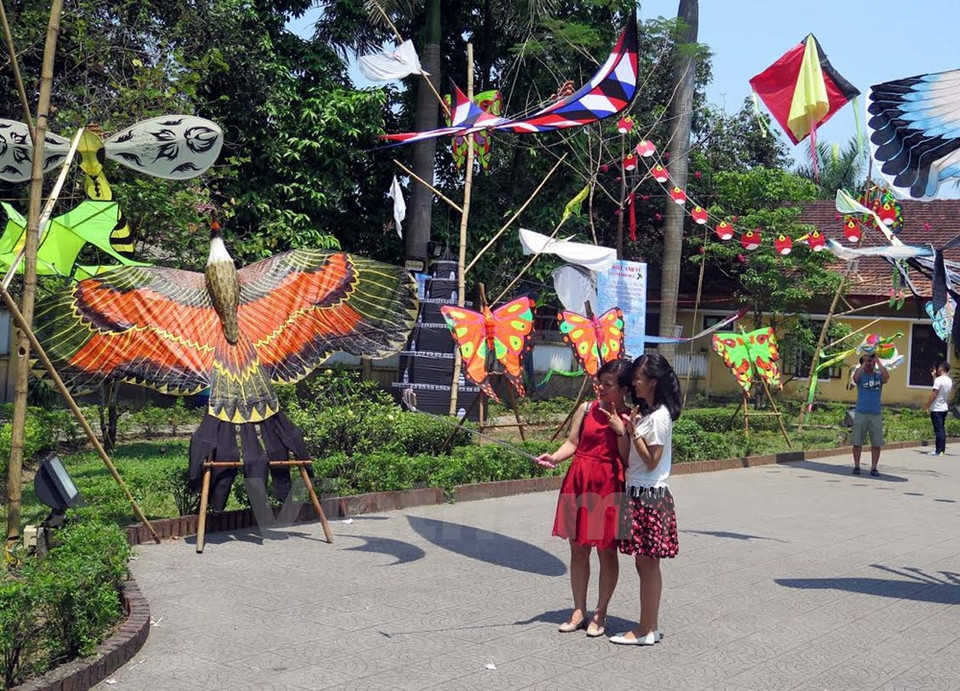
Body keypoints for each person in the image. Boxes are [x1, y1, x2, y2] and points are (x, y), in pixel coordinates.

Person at [536, 358, 633, 638]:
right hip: (579, 479)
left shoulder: (629, 417)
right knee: (578, 549)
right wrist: (554, 457)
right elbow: (573, 443)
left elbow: (627, 459)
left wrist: (621, 430)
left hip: (609, 484)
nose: (601, 388)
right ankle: (579, 609)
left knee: (606, 551)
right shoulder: (586, 408)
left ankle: (601, 612)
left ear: (624, 389)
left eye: (608, 384)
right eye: (600, 382)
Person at [610, 352, 682, 646]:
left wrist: (632, 431)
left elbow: (652, 461)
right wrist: (627, 430)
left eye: (638, 378)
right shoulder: (649, 414)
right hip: (641, 493)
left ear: (652, 381)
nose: (634, 384)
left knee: (648, 564)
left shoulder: (660, 417)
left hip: (650, 496)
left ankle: (646, 629)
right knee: (645, 564)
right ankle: (649, 625)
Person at [851, 352, 889, 476]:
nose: (869, 363)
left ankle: (874, 467)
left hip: (875, 413)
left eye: (871, 361)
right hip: (861, 412)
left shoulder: (878, 376)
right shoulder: (860, 375)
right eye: (867, 361)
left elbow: (886, 377)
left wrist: (878, 361)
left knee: (876, 443)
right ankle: (857, 465)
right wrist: (863, 364)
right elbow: (855, 379)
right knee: (857, 442)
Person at [924, 361, 953, 456]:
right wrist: (934, 376)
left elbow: (934, 393)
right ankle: (941, 450)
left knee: (938, 430)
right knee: (941, 429)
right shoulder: (949, 380)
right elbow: (938, 388)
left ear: (941, 368)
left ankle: (938, 451)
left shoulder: (939, 380)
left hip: (936, 408)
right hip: (944, 407)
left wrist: (927, 406)